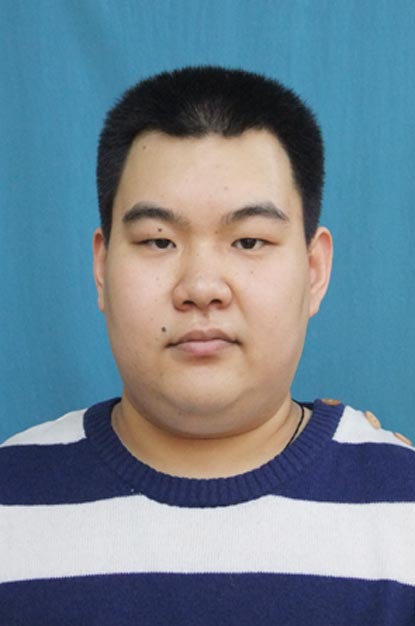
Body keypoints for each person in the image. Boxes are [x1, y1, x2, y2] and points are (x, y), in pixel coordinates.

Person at [1, 66, 414, 625]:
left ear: (315, 270)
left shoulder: (402, 514)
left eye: (249, 240)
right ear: (102, 267)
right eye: (158, 241)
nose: (201, 287)